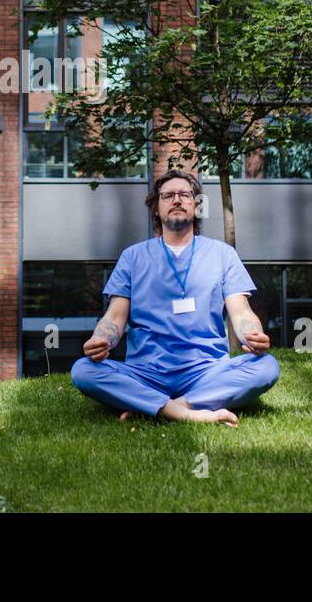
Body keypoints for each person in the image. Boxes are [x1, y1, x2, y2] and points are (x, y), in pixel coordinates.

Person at [70, 169, 280, 427]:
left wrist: (253, 335)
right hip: (146, 371)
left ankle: (161, 406)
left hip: (207, 371)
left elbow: (242, 312)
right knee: (83, 370)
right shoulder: (132, 257)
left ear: (196, 204)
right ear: (156, 209)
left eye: (185, 194)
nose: (177, 200)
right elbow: (115, 316)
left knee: (266, 367)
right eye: (168, 195)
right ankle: (188, 410)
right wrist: (102, 338)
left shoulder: (222, 254)